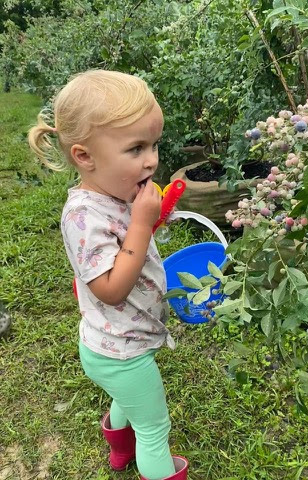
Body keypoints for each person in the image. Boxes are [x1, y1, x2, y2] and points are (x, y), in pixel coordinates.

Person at [28, 69, 188, 480]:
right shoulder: (82, 216)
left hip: (125, 342)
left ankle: (119, 453)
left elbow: (121, 253)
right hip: (120, 351)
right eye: (135, 148)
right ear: (85, 156)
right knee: (154, 428)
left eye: (154, 144)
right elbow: (112, 289)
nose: (151, 159)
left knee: (128, 402)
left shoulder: (117, 195)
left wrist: (146, 220)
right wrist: (139, 225)